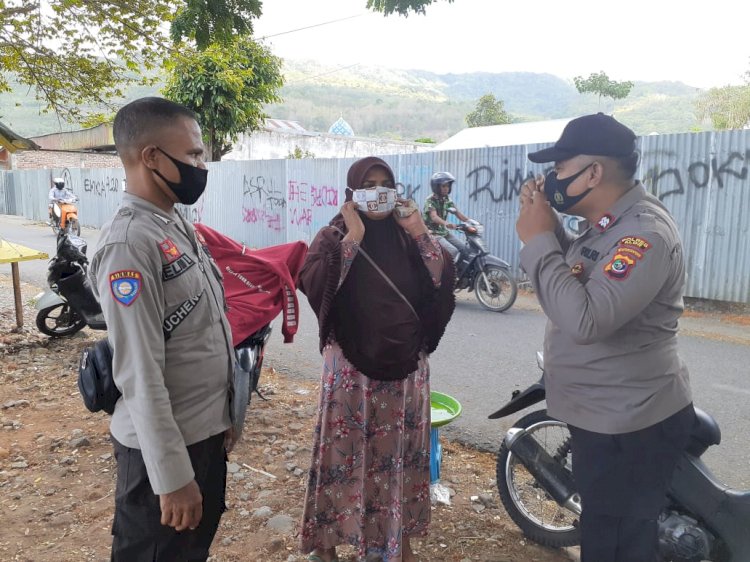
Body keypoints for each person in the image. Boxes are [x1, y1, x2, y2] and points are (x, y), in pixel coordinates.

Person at [516, 112, 695, 562]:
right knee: (605, 528)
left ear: (593, 172)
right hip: (605, 416)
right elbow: (575, 285)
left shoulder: (643, 234)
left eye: (559, 169)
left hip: (629, 426)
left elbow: (587, 319)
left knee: (614, 546)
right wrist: (549, 231)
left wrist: (539, 240)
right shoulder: (608, 227)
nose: (550, 179)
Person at [88, 97, 236, 562]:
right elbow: (138, 373)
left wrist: (226, 419)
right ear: (151, 156)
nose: (201, 164)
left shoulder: (171, 222)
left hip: (201, 433)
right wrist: (171, 478)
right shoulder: (130, 244)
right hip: (166, 452)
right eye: (192, 155)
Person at [298, 157, 456, 562]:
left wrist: (419, 230)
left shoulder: (409, 238)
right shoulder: (334, 235)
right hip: (353, 376)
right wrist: (353, 235)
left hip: (404, 374)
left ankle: (394, 544)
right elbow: (316, 283)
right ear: (352, 193)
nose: (380, 190)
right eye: (369, 183)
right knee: (343, 458)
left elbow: (442, 278)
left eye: (387, 183)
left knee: (396, 461)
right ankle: (328, 544)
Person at [422, 171, 471, 260]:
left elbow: (458, 213)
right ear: (436, 187)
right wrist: (446, 223)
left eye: (448, 186)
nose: (446, 188)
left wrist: (470, 222)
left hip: (443, 232)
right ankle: (448, 273)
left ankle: (461, 272)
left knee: (464, 249)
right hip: (432, 233)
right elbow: (434, 217)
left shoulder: (447, 199)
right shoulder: (430, 200)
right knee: (453, 251)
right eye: (443, 186)